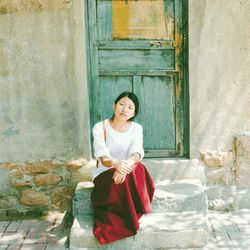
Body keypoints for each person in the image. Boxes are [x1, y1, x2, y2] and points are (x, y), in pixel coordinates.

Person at [91, 91, 155, 245]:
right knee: (127, 174)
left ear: (134, 113)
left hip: (127, 170)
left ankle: (134, 207)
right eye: (121, 104)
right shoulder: (101, 127)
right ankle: (126, 219)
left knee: (139, 168)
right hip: (106, 173)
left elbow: (137, 151)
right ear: (114, 106)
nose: (124, 109)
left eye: (130, 107)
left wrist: (124, 166)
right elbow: (103, 157)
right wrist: (116, 164)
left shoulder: (136, 128)